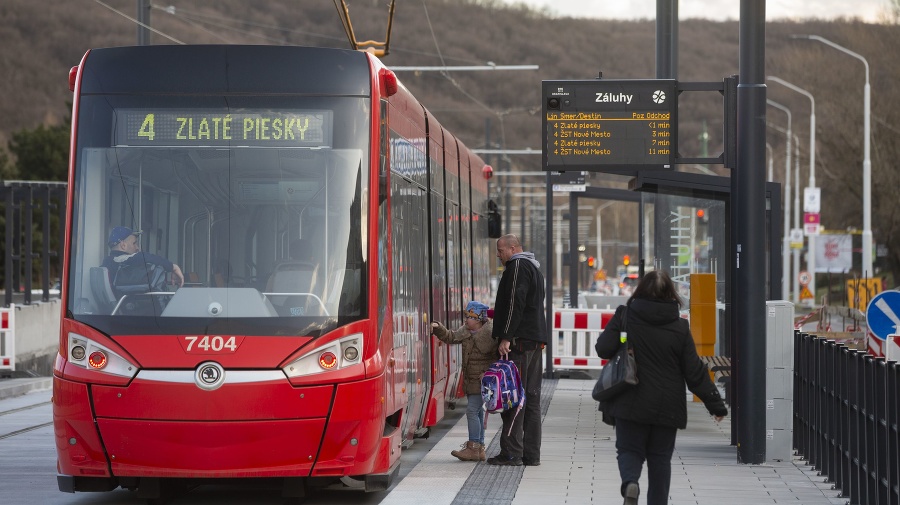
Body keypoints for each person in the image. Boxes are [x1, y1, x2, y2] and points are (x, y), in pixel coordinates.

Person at [594, 270, 728, 505]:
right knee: (660, 460)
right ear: (671, 294)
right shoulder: (679, 328)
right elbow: (694, 371)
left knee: (629, 450)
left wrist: (623, 338)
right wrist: (715, 405)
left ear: (640, 290)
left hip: (629, 399)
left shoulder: (625, 316)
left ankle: (630, 483)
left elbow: (603, 349)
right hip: (667, 405)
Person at [488, 234, 547, 467]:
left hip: (520, 342)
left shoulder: (517, 266)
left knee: (514, 397)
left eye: (500, 251)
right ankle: (531, 455)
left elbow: (514, 303)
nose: (498, 255)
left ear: (512, 249)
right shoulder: (534, 268)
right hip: (534, 341)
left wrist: (506, 337)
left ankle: (511, 452)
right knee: (531, 399)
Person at [430, 301, 497, 462]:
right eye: (466, 316)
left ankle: (474, 446)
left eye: (470, 317)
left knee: (472, 411)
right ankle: (478, 447)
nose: (467, 320)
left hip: (483, 380)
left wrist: (488, 373)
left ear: (480, 319)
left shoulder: (491, 333)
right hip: (471, 378)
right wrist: (438, 328)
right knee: (478, 411)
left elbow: (496, 357)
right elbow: (451, 337)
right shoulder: (467, 330)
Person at [102, 226, 184, 299]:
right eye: (134, 243)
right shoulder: (120, 260)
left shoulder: (107, 262)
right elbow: (143, 257)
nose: (137, 248)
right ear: (123, 245)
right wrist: (173, 267)